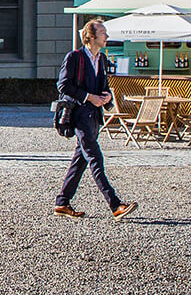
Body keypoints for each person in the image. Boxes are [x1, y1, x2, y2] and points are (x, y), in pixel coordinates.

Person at [54, 19, 136, 220]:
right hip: (80, 116)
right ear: (90, 36)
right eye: (103, 32)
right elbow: (63, 86)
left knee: (80, 161)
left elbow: (104, 86)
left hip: (94, 117)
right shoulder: (74, 57)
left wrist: (107, 98)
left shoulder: (102, 59)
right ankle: (115, 205)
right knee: (95, 158)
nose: (106, 36)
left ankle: (62, 202)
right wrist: (89, 97)